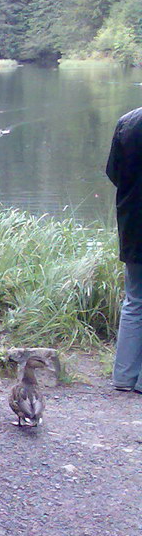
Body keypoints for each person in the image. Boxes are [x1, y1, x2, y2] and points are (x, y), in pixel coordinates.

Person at [105, 108, 142, 393]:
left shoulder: (127, 122)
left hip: (133, 224)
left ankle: (124, 377)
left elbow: (114, 173)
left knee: (134, 302)